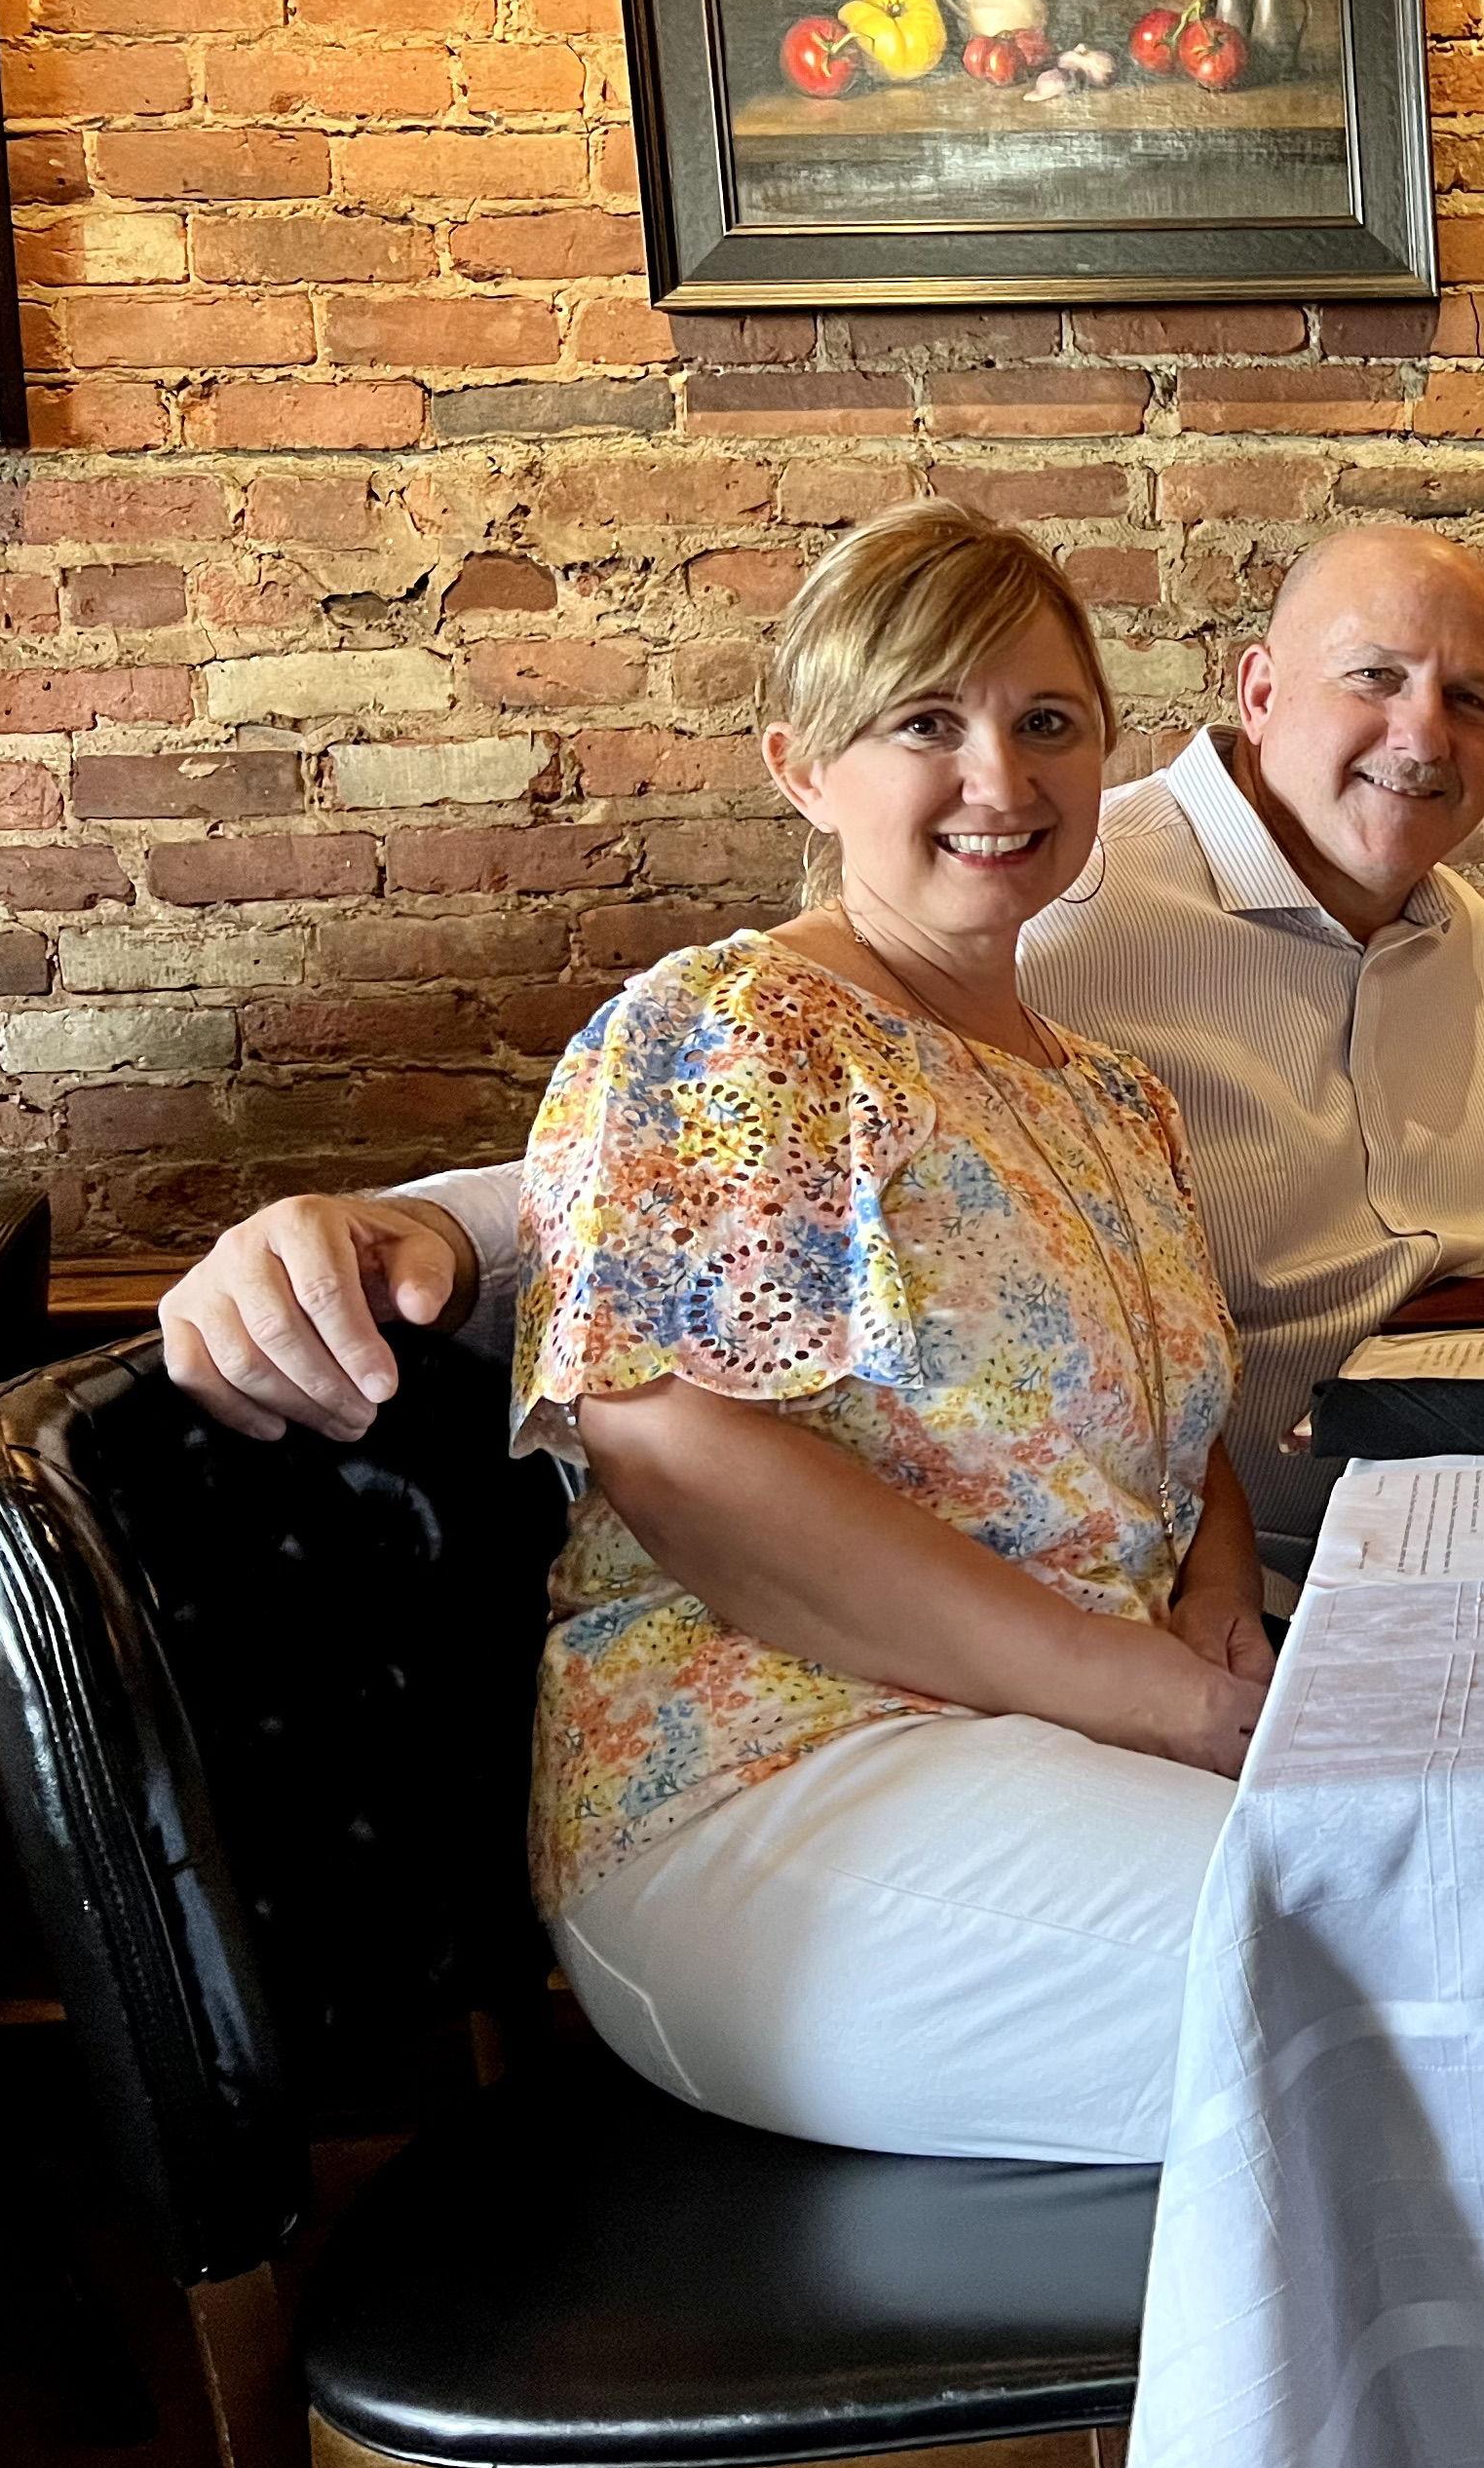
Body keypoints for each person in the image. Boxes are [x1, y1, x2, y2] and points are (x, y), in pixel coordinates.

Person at [159, 521, 1484, 1571]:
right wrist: (414, 1233)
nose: (1423, 734)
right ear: (1257, 694)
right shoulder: (1044, 886)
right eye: (1374, 679)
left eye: (1471, 699)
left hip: (1481, 1528)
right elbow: (736, 1132)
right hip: (1190, 1583)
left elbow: (1420, 1089)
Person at [515, 501, 1261, 2163]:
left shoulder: (1115, 1096)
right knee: (1427, 1969)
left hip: (1090, 1740)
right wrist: (1154, 1700)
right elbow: (670, 1445)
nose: (1000, 777)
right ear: (801, 766)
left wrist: (1217, 1598)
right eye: (926, 721)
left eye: (1046, 721)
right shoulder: (731, 1030)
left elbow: (1175, 1424)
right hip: (773, 1778)